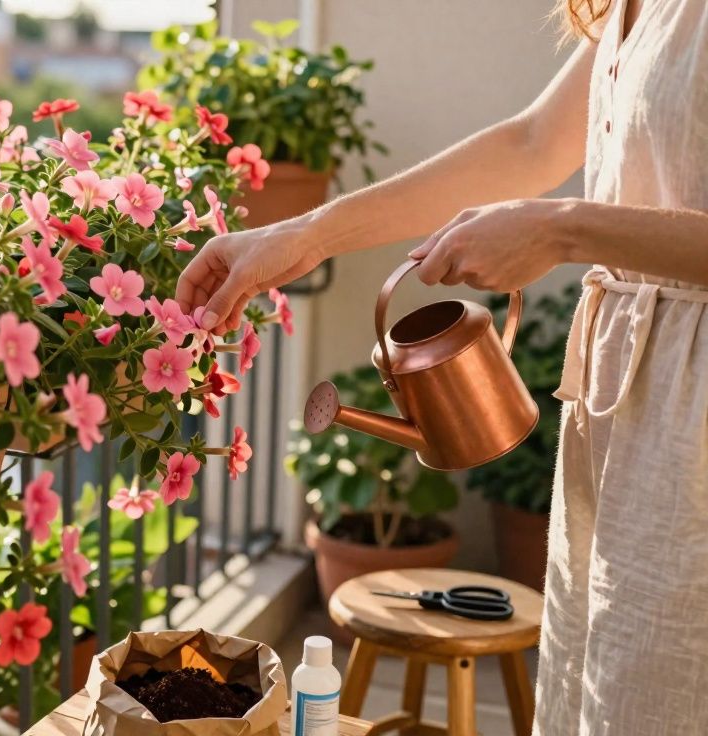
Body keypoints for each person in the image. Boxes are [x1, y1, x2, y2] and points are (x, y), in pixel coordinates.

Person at [177, 0, 708, 733]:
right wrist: (306, 233)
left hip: (695, 427)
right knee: (613, 684)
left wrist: (563, 228)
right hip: (628, 414)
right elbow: (529, 145)